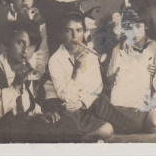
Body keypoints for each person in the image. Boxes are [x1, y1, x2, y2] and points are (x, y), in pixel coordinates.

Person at [44, 13, 114, 141]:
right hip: (63, 105)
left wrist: (81, 102)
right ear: (61, 34)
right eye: (68, 31)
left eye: (79, 30)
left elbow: (97, 86)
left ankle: (79, 137)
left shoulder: (90, 55)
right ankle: (79, 138)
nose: (74, 36)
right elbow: (66, 97)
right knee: (103, 129)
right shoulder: (55, 60)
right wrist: (76, 69)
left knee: (108, 126)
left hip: (82, 103)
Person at [105, 9, 156, 133]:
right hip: (124, 96)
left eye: (138, 26)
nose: (134, 31)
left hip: (145, 96)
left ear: (146, 27)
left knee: (141, 119)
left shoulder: (155, 46)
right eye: (130, 27)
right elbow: (110, 76)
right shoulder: (119, 49)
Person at [2, 0, 49, 77]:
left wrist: (37, 73)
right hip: (7, 74)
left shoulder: (38, 20)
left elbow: (42, 53)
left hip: (31, 74)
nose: (25, 0)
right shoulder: (4, 19)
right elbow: (2, 54)